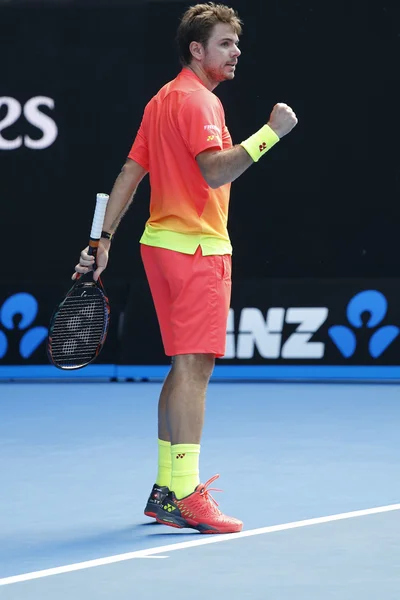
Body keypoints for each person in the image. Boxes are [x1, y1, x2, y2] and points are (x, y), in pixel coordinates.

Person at [73, 2, 298, 534]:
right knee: (196, 370)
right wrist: (270, 133)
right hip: (197, 251)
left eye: (236, 44)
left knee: (182, 368)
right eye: (225, 43)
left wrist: (101, 239)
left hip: (159, 247)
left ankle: (165, 487)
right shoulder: (200, 104)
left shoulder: (162, 99)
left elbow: (130, 172)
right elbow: (215, 171)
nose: (236, 51)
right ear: (197, 50)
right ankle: (187, 493)